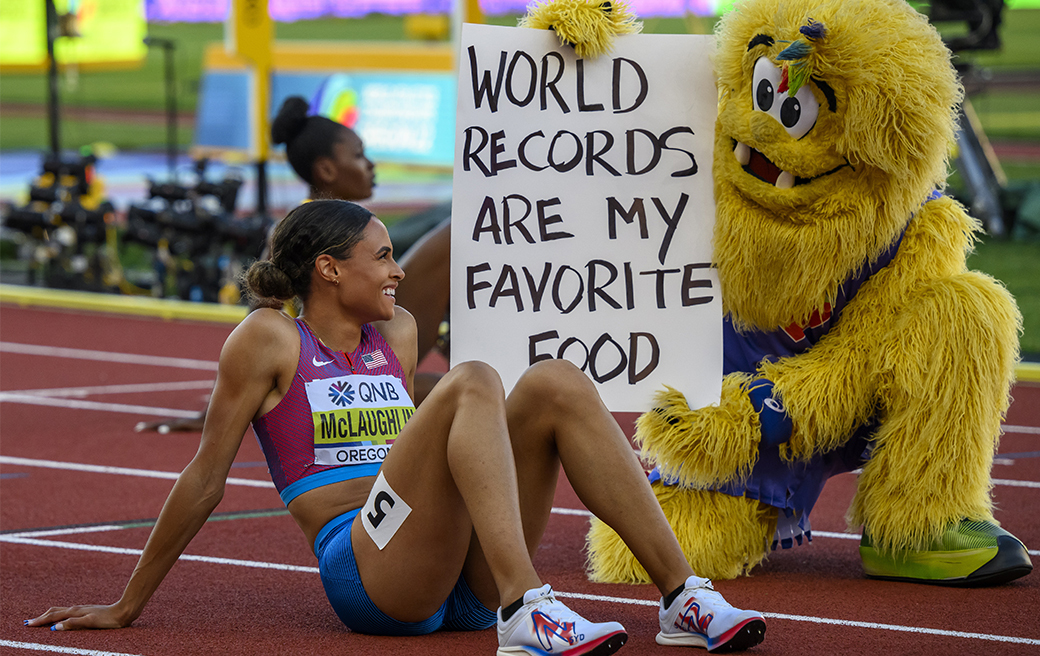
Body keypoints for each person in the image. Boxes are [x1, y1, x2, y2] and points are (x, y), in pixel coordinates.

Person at [27, 200, 767, 655]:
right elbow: (204, 479)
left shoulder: (401, 333)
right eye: (381, 257)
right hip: (367, 569)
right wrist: (127, 605)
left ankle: (681, 597)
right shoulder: (268, 339)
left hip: (457, 579)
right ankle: (527, 608)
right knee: (470, 378)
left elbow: (449, 436)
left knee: (555, 381)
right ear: (326, 269)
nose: (397, 272)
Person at [135, 96, 375, 434]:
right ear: (326, 169)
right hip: (314, 373)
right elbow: (261, 309)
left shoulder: (358, 227)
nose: (372, 165)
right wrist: (221, 407)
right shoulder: (302, 229)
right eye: (359, 155)